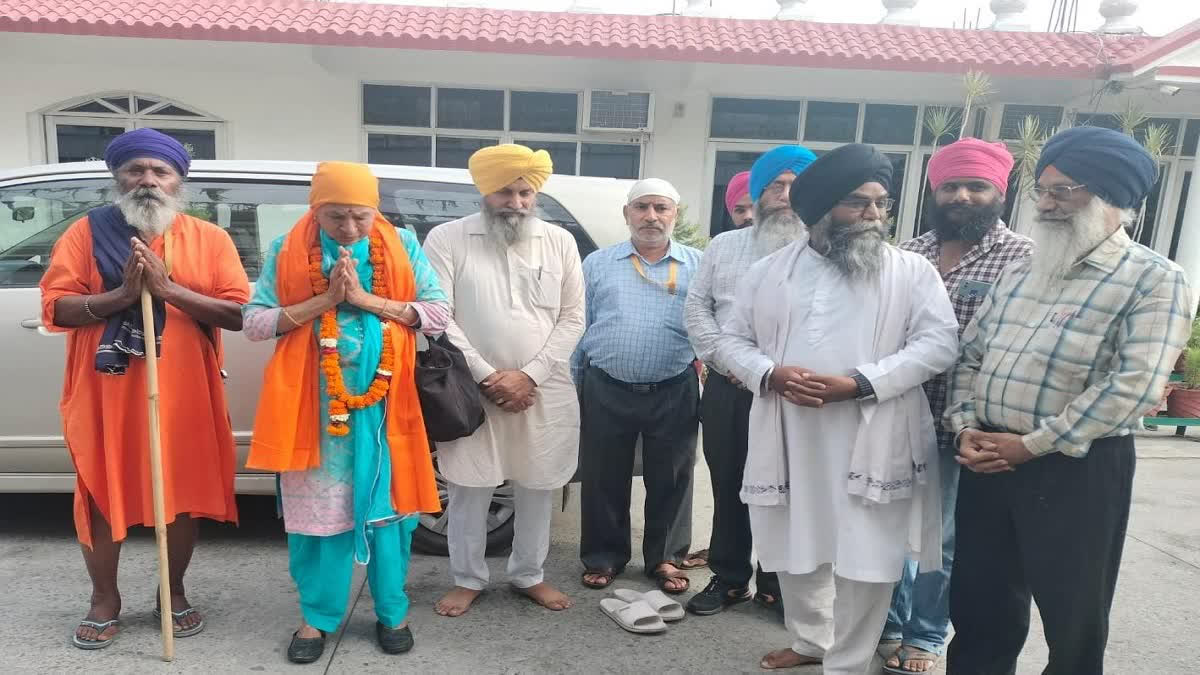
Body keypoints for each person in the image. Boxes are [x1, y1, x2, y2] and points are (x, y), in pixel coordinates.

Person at [945, 126, 1194, 675]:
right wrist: (965, 428)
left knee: (1072, 615)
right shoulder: (1020, 269)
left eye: (1064, 191)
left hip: (1075, 467)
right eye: (1043, 191)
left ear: (1112, 198)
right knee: (980, 604)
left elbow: (1133, 387)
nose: (1048, 204)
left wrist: (1029, 446)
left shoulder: (1154, 279)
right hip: (985, 457)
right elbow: (970, 356)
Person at [718, 143, 959, 674]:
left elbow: (939, 343)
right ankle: (810, 642)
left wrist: (862, 384)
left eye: (881, 202)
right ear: (821, 208)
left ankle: (848, 662)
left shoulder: (911, 271)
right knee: (794, 545)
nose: (873, 215)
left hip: (875, 431)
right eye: (858, 202)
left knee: (867, 557)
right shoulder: (768, 272)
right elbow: (730, 340)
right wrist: (770, 374)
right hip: (790, 432)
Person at [39, 128, 250, 650]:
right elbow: (56, 306)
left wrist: (168, 290)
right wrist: (121, 296)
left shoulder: (210, 239)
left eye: (161, 171)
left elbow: (238, 312)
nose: (148, 180)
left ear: (179, 182)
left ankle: (173, 592)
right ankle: (103, 600)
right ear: (118, 177)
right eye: (136, 170)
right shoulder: (85, 234)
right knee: (102, 486)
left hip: (184, 389)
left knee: (178, 493)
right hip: (106, 390)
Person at [243, 161, 444, 663]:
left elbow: (438, 313)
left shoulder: (404, 245)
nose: (350, 229)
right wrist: (325, 300)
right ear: (316, 211)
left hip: (385, 411)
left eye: (360, 216)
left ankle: (392, 611)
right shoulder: (286, 252)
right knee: (318, 521)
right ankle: (317, 617)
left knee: (390, 516)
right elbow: (255, 323)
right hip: (313, 413)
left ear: (375, 212)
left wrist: (364, 300)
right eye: (336, 217)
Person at [880, 138, 1033, 673]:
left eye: (977, 186)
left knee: (939, 537)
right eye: (951, 186)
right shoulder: (906, 253)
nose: (962, 196)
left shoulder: (1023, 257)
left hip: (964, 423)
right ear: (933, 190)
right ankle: (889, 624)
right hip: (895, 414)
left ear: (1000, 192)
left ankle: (925, 633)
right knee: (886, 526)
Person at [423, 144, 585, 618]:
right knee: (470, 484)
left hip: (544, 386)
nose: (515, 202)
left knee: (537, 484)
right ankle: (468, 577)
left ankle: (528, 574)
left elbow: (574, 317)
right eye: (504, 192)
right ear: (483, 192)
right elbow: (439, 317)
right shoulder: (448, 238)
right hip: (470, 386)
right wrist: (490, 375)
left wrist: (529, 375)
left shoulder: (559, 242)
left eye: (524, 192)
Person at [683, 145, 815, 617]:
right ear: (757, 194)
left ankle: (778, 583)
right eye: (774, 186)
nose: (784, 196)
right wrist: (733, 364)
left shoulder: (824, 252)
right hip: (729, 389)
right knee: (729, 484)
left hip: (795, 395)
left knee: (789, 489)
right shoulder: (724, 246)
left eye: (795, 187)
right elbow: (697, 309)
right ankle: (730, 576)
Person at [574, 178, 704, 595]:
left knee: (672, 476)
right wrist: (577, 384)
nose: (651, 216)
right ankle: (604, 557)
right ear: (627, 214)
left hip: (674, 386)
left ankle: (665, 557)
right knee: (602, 476)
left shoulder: (698, 265)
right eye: (642, 207)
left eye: (661, 208)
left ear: (675, 215)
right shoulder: (598, 263)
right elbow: (581, 325)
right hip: (606, 385)